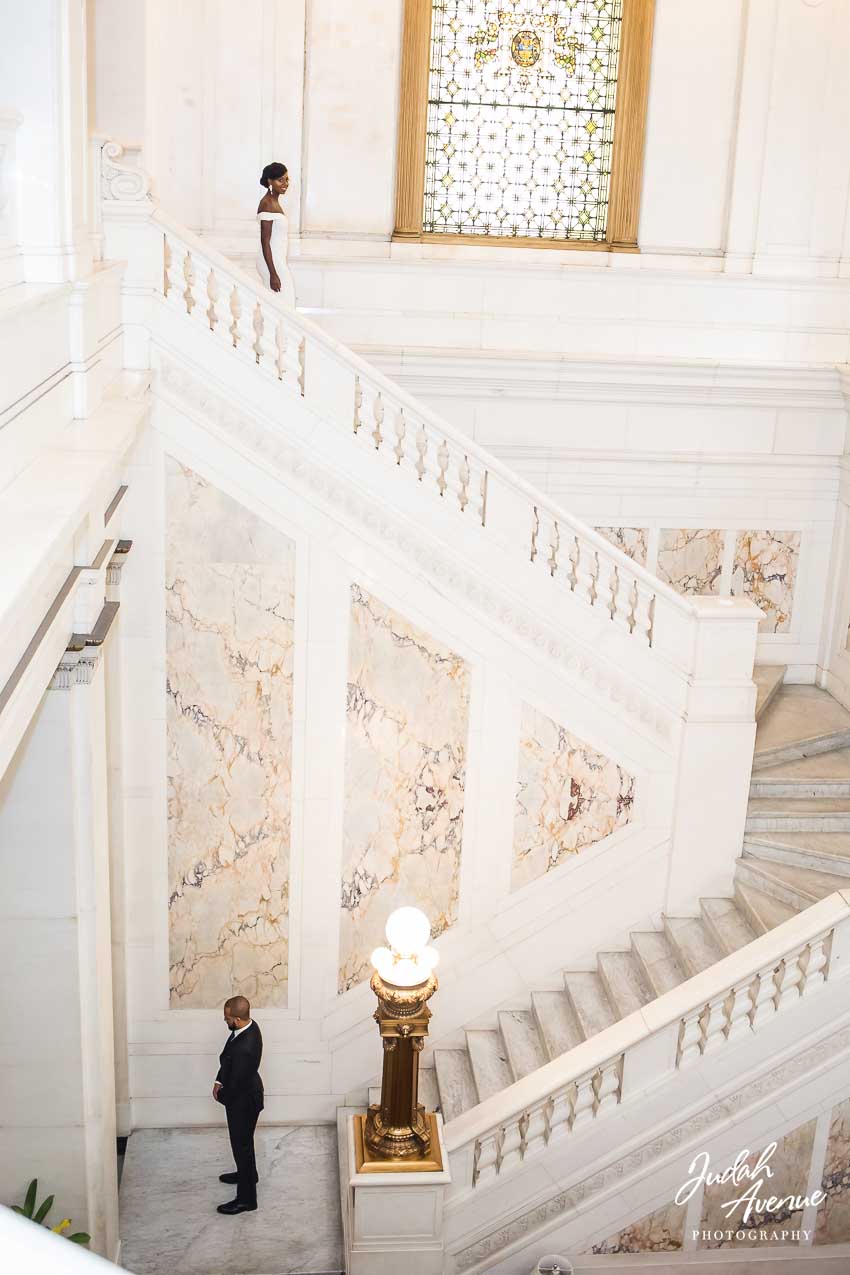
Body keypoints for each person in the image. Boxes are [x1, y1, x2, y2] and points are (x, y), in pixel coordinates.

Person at [213, 995, 264, 1215]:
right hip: (243, 1093)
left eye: (227, 1019)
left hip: (243, 1101)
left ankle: (246, 1199)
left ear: (238, 1019)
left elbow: (236, 1085)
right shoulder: (247, 1028)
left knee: (241, 1147)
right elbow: (227, 1059)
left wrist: (220, 1095)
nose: (225, 1022)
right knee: (244, 1143)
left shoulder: (246, 1047)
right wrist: (219, 1080)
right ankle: (249, 1175)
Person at [256, 161, 296, 306]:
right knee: (285, 304)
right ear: (269, 181)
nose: (285, 183)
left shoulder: (274, 202)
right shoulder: (267, 203)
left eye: (287, 179)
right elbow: (265, 241)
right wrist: (273, 274)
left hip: (277, 260)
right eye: (280, 180)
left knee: (285, 303)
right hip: (271, 262)